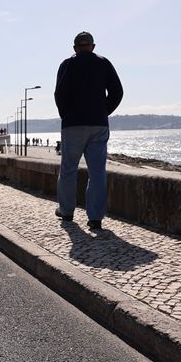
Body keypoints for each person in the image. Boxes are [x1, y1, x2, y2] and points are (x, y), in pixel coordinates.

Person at [54, 31, 123, 230]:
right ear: (93, 46)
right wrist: (104, 111)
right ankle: (95, 218)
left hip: (73, 124)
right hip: (98, 124)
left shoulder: (67, 64)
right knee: (97, 172)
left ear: (75, 48)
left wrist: (66, 114)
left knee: (68, 169)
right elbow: (118, 92)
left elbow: (59, 94)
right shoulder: (104, 63)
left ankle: (66, 212)